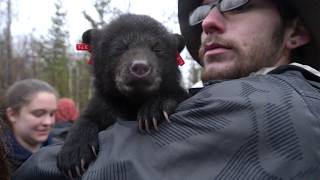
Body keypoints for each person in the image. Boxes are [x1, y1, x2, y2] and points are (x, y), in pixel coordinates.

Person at [12, 0, 320, 179]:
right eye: (200, 14)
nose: (208, 22)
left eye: (234, 2)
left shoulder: (278, 104)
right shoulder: (210, 95)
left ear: (295, 33)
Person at [2, 79, 58, 171]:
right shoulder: (3, 163)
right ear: (12, 115)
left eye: (52, 114)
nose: (48, 122)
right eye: (38, 113)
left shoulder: (60, 152)